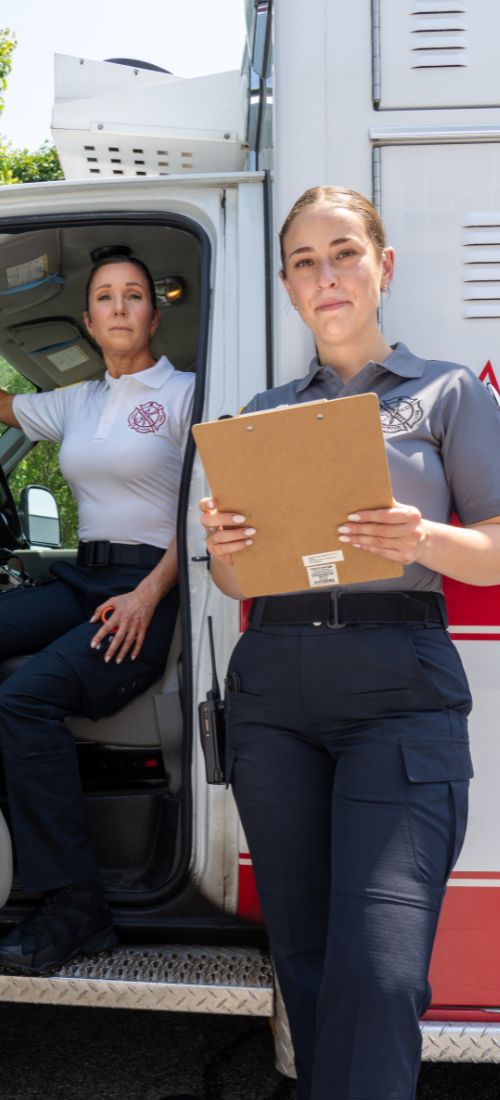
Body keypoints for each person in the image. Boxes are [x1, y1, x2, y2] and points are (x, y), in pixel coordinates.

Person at [199, 186, 500, 1100]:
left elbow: (492, 556)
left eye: (344, 254)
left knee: (379, 973)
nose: (325, 277)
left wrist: (422, 540)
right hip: (274, 700)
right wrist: (226, 556)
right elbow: (238, 584)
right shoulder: (263, 411)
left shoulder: (448, 393)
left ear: (383, 267)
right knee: (306, 961)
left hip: (399, 692)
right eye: (304, 262)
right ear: (290, 286)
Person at [0, 253, 194, 974]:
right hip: (85, 576)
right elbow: (7, 407)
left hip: (153, 584)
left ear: (154, 312)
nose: (118, 308)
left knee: (24, 699)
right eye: (105, 298)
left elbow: (201, 515)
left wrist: (149, 594)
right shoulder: (77, 400)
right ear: (87, 321)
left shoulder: (186, 394)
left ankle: (77, 908)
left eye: (134, 296)